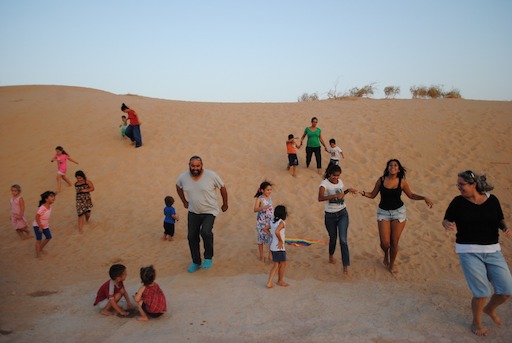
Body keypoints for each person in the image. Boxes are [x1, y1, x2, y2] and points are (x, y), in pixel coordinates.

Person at [442, 170, 512, 336]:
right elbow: (446, 218)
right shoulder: (457, 202)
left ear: (473, 185)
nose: (458, 187)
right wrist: (446, 224)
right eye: (457, 184)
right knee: (481, 293)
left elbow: (499, 218)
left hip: (493, 251)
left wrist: (505, 228)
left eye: (461, 184)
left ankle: (489, 309)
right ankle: (476, 321)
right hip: (469, 251)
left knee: (506, 291)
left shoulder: (492, 200)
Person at [357, 159, 433, 274]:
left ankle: (391, 265)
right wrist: (361, 192)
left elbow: (411, 195)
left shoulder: (402, 182)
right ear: (387, 168)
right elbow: (372, 195)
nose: (393, 167)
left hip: (399, 212)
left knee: (394, 241)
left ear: (398, 169)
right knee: (385, 243)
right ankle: (385, 254)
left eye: (395, 165)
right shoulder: (381, 180)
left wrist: (424, 197)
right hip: (383, 212)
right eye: (390, 165)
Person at [176, 156, 229, 272]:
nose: (195, 168)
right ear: (189, 165)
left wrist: (225, 204)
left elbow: (223, 188)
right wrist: (184, 201)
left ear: (202, 166)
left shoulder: (211, 176)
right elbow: (178, 186)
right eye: (193, 166)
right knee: (191, 236)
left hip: (209, 211)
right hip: (193, 211)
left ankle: (208, 257)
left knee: (205, 232)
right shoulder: (183, 177)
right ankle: (196, 262)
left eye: (197, 166)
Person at [318, 164, 356, 275]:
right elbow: (320, 198)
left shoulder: (340, 182)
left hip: (342, 213)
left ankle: (345, 266)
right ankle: (331, 255)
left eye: (338, 176)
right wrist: (334, 196)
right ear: (329, 174)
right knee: (333, 238)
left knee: (343, 240)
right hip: (330, 215)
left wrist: (348, 190)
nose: (336, 178)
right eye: (334, 175)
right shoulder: (324, 184)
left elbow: (341, 195)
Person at [262, 205, 289, 288]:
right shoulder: (282, 222)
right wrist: (280, 241)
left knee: (277, 264)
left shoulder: (272, 222)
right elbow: (277, 232)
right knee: (282, 264)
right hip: (279, 247)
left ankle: (272, 282)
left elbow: (264, 229)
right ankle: (279, 281)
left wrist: (271, 235)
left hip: (273, 246)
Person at [253, 181, 274, 261]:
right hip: (261, 222)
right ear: (262, 190)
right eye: (268, 190)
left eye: (270, 190)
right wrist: (262, 208)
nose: (269, 191)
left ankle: (270, 255)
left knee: (271, 237)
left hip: (270, 221)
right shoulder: (260, 199)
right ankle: (261, 256)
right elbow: (255, 209)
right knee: (261, 238)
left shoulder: (270, 198)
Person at [32, 191, 56, 258]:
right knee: (38, 240)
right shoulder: (43, 208)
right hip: (38, 226)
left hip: (45, 226)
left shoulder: (49, 207)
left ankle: (40, 248)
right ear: (46, 199)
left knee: (48, 237)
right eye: (51, 197)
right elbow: (37, 217)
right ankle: (38, 255)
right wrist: (40, 226)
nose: (53, 198)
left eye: (53, 196)